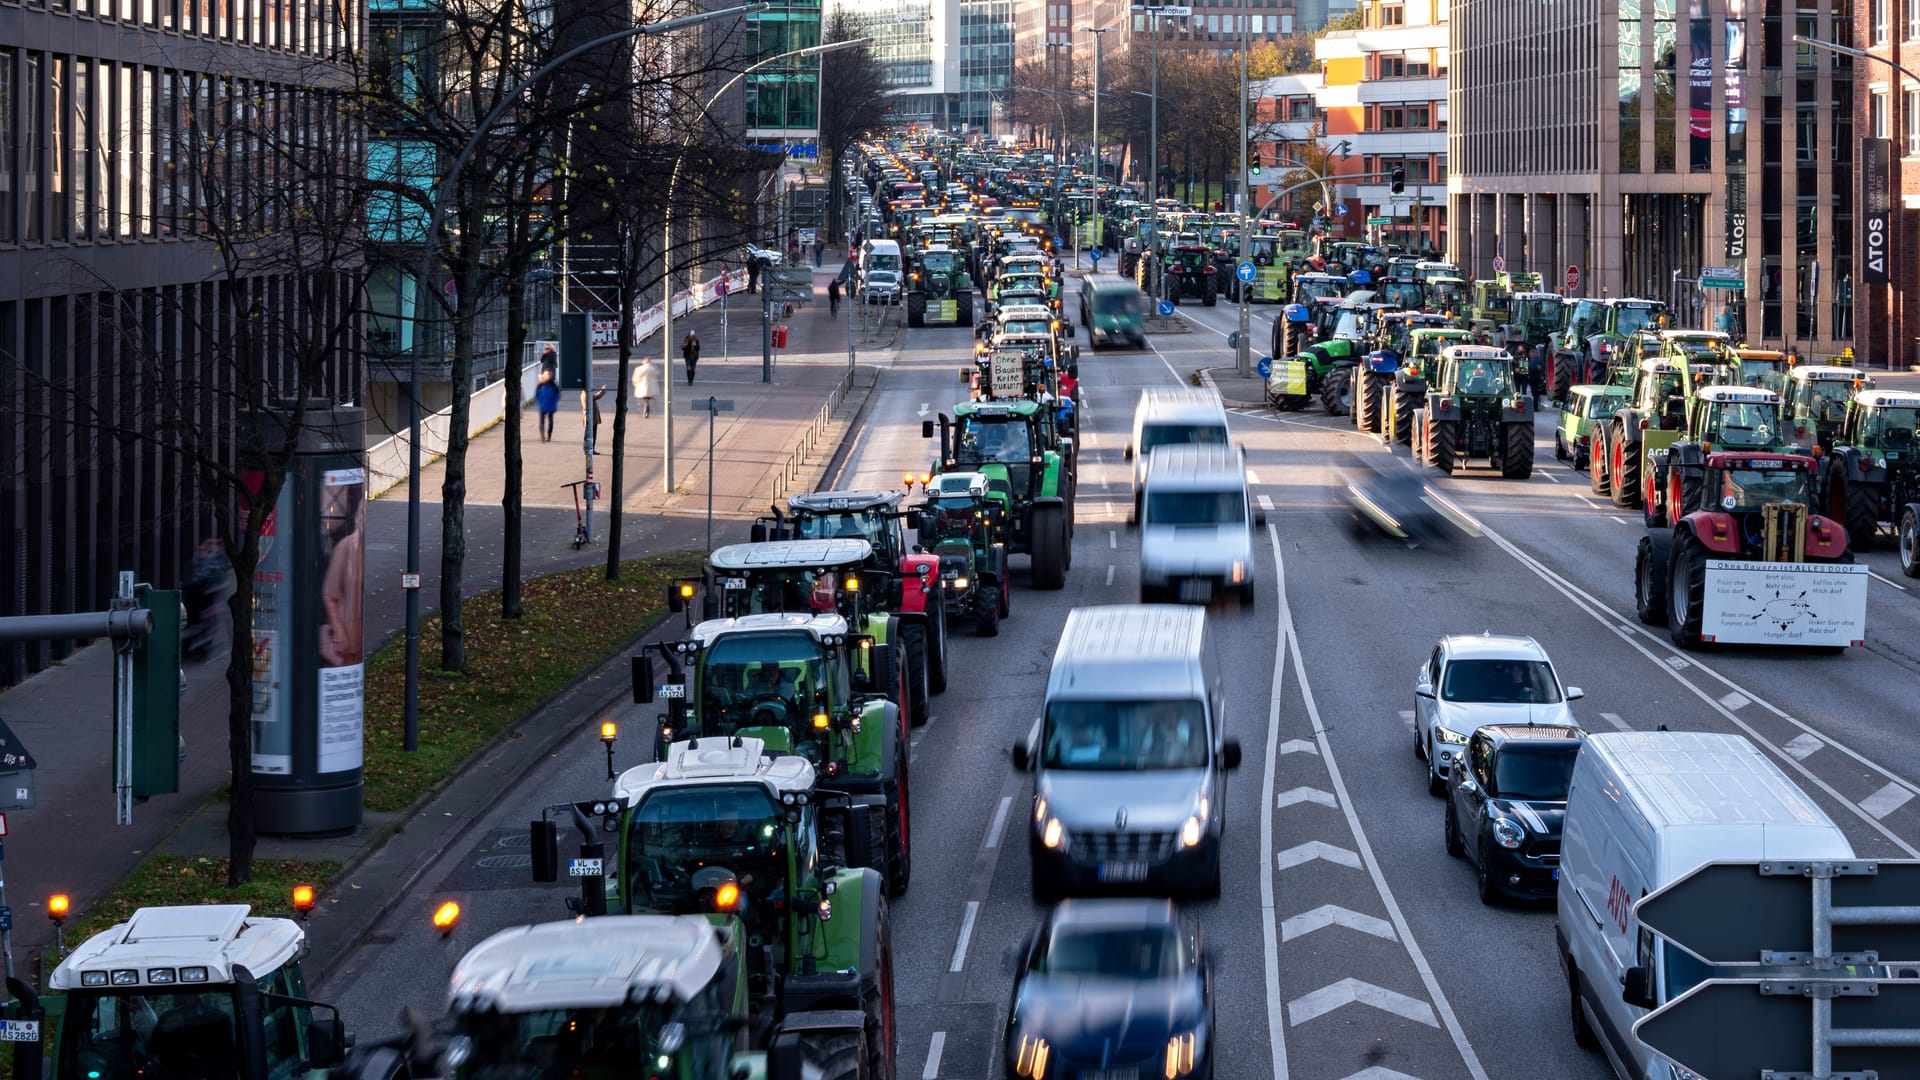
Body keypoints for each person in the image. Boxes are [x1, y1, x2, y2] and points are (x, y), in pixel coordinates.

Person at [535, 368, 560, 441]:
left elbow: (557, 395)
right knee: (545, 421)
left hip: (547, 405)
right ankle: (545, 436)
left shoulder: (552, 385)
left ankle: (546, 436)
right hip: (546, 405)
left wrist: (542, 401)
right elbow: (537, 395)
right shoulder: (544, 385)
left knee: (547, 422)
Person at [583, 386, 605, 453]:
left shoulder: (584, 393)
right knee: (592, 434)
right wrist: (602, 390)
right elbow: (597, 397)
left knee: (588, 434)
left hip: (590, 417)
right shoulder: (586, 394)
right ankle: (590, 449)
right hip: (591, 418)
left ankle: (587, 449)